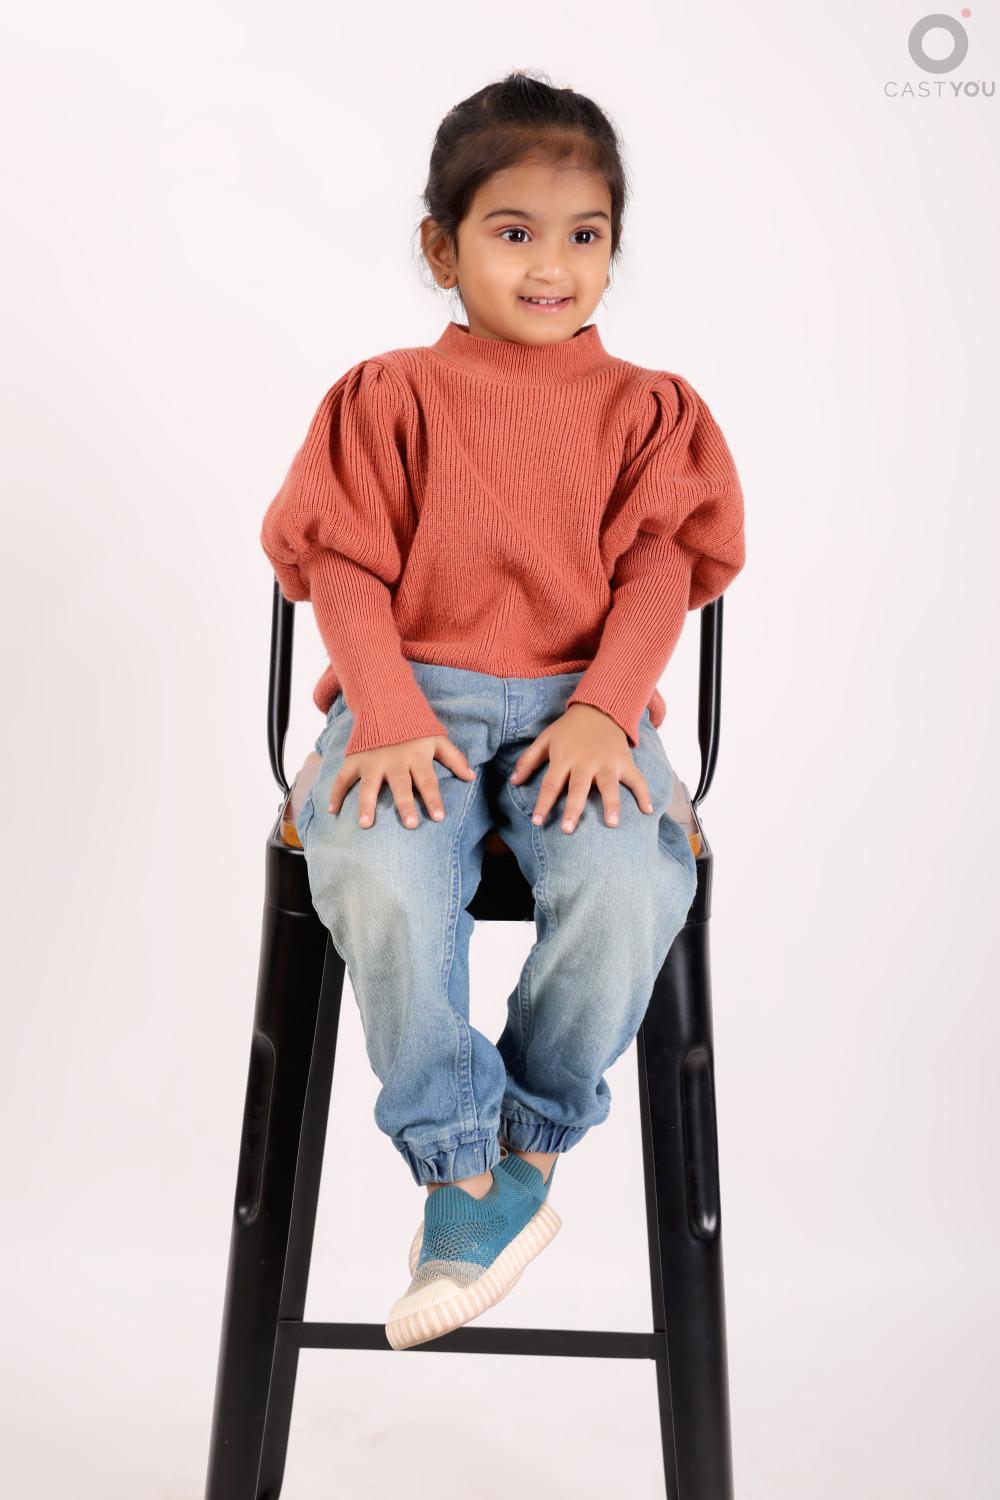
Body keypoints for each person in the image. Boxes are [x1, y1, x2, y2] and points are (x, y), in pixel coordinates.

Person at [259, 70, 746, 1351]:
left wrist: (607, 712)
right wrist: (384, 711)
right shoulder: (386, 397)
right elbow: (341, 566)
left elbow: (660, 573)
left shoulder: (648, 410)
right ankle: (458, 1165)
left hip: (582, 711)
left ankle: (521, 1149)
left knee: (629, 885)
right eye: (512, 232)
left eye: (584, 235)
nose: (551, 266)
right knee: (376, 868)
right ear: (443, 249)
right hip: (409, 700)